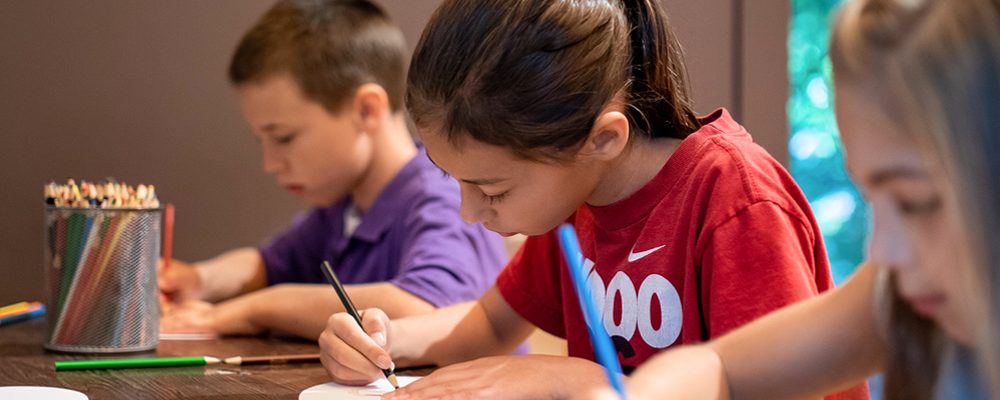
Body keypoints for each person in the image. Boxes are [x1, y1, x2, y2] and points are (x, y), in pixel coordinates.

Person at [317, 0, 866, 398]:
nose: (469, 211)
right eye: (454, 181)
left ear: (602, 139)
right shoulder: (578, 195)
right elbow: (486, 326)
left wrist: (577, 380)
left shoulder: (735, 201)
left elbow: (774, 388)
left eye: (492, 190)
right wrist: (385, 338)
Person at [583, 0, 1000, 398]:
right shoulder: (899, 296)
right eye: (873, 199)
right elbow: (717, 366)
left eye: (915, 203)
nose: (880, 249)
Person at [157, 0, 507, 341]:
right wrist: (199, 280)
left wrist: (256, 309)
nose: (270, 163)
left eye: (283, 137)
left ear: (367, 110)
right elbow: (268, 263)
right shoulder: (343, 207)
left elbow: (424, 309)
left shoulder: (441, 197)